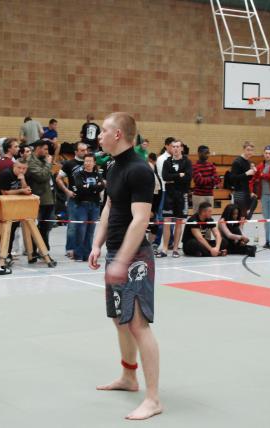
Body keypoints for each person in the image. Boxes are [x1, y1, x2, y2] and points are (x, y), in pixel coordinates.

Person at [88, 112, 161, 421]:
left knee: (138, 325)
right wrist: (97, 243)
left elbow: (141, 219)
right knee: (119, 320)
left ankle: (153, 399)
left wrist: (121, 260)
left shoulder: (139, 170)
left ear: (117, 134)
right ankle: (129, 377)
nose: (99, 136)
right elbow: (109, 206)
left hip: (135, 258)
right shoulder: (113, 165)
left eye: (103, 131)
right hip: (115, 252)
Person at [157, 139, 191, 258]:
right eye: (173, 147)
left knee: (179, 222)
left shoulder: (187, 162)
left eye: (177, 146)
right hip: (169, 195)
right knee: (167, 222)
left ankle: (175, 249)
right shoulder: (167, 162)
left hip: (182, 195)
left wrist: (173, 178)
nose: (175, 149)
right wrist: (179, 175)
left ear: (181, 148)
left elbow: (188, 178)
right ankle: (165, 249)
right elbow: (165, 177)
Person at [56, 142, 87, 259]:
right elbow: (58, 178)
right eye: (82, 150)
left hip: (87, 199)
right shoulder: (69, 164)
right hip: (73, 198)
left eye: (86, 150)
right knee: (73, 225)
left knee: (85, 226)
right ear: (76, 152)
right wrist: (66, 191)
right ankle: (70, 248)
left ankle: (82, 248)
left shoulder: (89, 162)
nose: (85, 152)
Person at [0, 158, 32, 258]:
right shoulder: (6, 174)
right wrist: (21, 190)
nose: (21, 170)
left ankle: (8, 252)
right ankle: (3, 251)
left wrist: (23, 180)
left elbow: (27, 191)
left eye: (24, 168)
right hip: (3, 204)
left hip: (16, 205)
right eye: (19, 168)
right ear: (14, 166)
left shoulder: (26, 175)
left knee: (13, 228)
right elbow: (4, 192)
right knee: (5, 229)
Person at [73, 153, 104, 262]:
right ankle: (78, 254)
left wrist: (88, 186)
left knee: (90, 231)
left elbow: (102, 186)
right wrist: (94, 187)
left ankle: (87, 254)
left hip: (95, 205)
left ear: (94, 163)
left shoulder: (98, 174)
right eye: (86, 161)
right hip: (82, 205)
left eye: (90, 161)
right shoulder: (79, 174)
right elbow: (80, 187)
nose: (88, 163)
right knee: (81, 230)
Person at [26, 139, 55, 258]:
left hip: (48, 199)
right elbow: (42, 176)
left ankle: (44, 250)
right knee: (35, 228)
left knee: (46, 227)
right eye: (45, 149)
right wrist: (48, 164)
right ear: (38, 149)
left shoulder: (43, 160)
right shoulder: (31, 161)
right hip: (38, 200)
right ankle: (33, 252)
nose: (47, 152)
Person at [251, 145, 270, 249]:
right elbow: (254, 177)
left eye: (269, 153)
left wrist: (262, 175)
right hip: (264, 195)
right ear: (263, 154)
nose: (267, 155)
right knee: (266, 219)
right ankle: (268, 241)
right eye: (266, 153)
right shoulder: (261, 165)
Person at [230, 141, 257, 218]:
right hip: (239, 192)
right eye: (248, 150)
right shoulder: (237, 162)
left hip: (246, 190)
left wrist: (253, 172)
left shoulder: (248, 162)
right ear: (244, 149)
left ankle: (247, 214)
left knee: (253, 201)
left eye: (251, 150)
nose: (250, 152)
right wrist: (246, 173)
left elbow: (248, 178)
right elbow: (233, 178)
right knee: (239, 215)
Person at [192, 145, 220, 212]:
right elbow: (200, 181)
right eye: (205, 153)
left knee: (208, 216)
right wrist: (211, 178)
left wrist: (207, 179)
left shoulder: (211, 165)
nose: (207, 155)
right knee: (197, 215)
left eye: (208, 153)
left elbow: (217, 180)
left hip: (209, 195)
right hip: (198, 196)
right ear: (199, 153)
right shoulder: (195, 166)